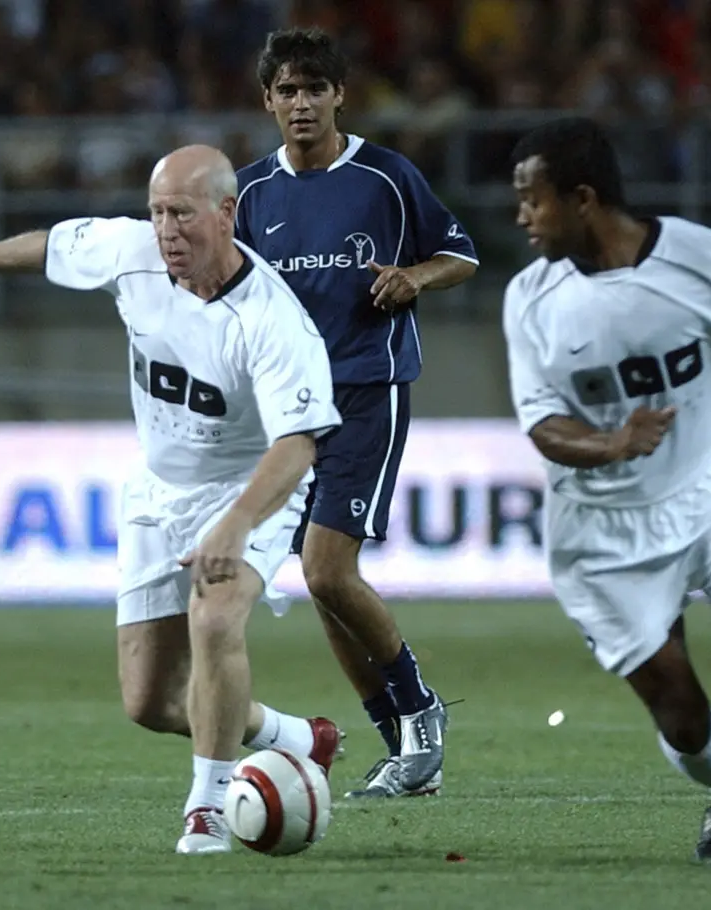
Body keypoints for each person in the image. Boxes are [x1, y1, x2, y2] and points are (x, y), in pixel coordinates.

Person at [0, 144, 344, 855]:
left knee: (217, 616)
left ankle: (209, 807)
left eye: (182, 214)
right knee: (150, 703)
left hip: (247, 486)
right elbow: (51, 247)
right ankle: (295, 736)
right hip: (157, 488)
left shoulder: (272, 319)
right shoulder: (130, 252)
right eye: (158, 212)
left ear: (227, 214)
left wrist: (235, 523)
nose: (166, 230)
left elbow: (297, 446)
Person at [235, 27, 479, 798]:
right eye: (287, 91)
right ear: (267, 101)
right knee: (322, 582)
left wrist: (414, 277)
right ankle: (405, 748)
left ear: (339, 95)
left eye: (315, 88)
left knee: (325, 567)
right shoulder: (249, 194)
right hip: (285, 413)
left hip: (368, 390)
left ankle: (422, 715)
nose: (301, 103)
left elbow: (462, 253)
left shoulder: (384, 175)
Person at [504, 116, 711, 863]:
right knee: (678, 707)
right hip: (601, 535)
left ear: (582, 199)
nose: (521, 217)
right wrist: (613, 442)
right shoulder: (531, 299)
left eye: (531, 200)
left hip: (708, 489)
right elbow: (542, 425)